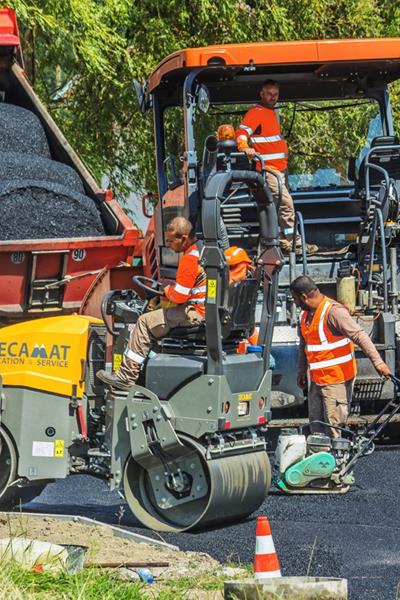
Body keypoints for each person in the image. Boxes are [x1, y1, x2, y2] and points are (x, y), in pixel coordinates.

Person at [96, 216, 206, 390]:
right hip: (203, 310)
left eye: (171, 241)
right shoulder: (203, 250)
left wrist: (167, 289)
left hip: (194, 313)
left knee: (144, 322)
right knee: (155, 318)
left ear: (183, 239)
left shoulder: (189, 259)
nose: (169, 245)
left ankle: (126, 376)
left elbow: (179, 296)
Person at [290, 275, 391, 437]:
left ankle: (339, 461)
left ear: (304, 297)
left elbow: (359, 335)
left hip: (336, 382)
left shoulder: (333, 312)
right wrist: (302, 370)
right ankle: (321, 460)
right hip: (316, 381)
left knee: (333, 429)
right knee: (317, 429)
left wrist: (378, 362)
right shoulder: (305, 317)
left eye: (295, 299)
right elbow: (304, 346)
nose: (295, 303)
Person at [234, 79, 318, 255]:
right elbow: (241, 134)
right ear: (261, 94)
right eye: (269, 94)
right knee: (286, 205)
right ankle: (294, 242)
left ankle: (282, 240)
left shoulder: (271, 113)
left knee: (278, 206)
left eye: (275, 94)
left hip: (280, 170)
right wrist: (244, 147)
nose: (273, 97)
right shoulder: (256, 112)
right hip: (269, 170)